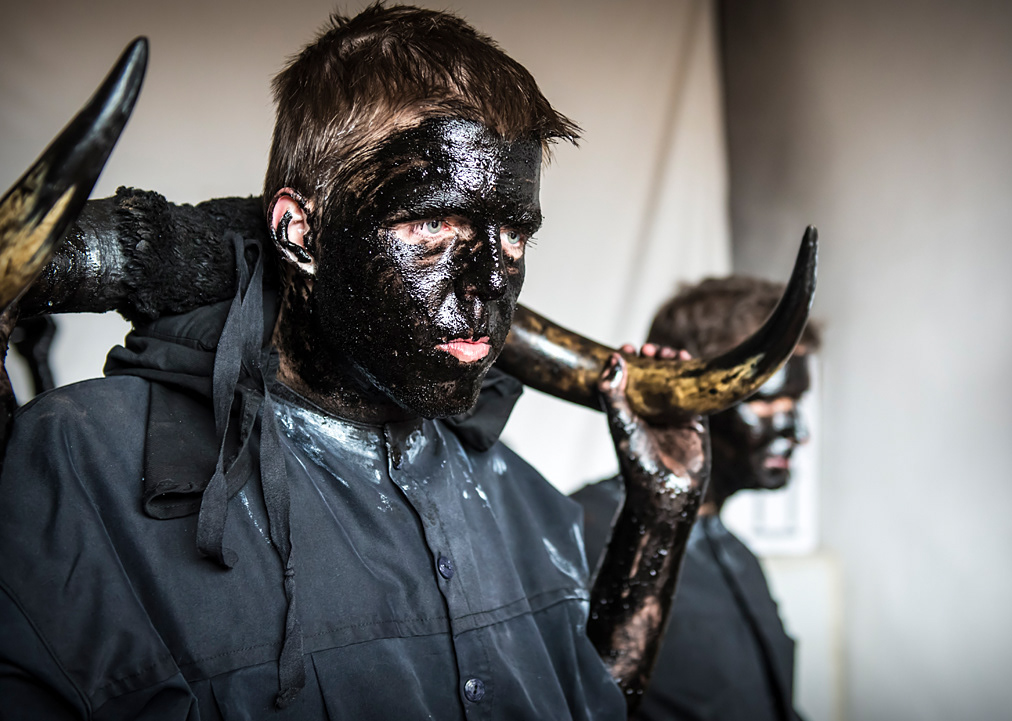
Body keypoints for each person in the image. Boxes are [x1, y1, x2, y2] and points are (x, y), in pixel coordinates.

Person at [0, 6, 712, 719]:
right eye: (434, 224)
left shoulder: (520, 496)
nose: (492, 280)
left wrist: (658, 517)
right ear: (300, 232)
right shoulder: (80, 461)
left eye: (515, 233)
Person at [574, 275, 822, 721]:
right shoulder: (576, 536)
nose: (798, 432)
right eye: (768, 402)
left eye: (796, 402)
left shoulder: (736, 553)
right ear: (685, 395)